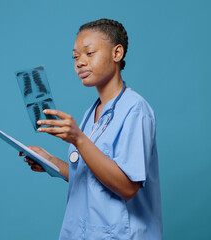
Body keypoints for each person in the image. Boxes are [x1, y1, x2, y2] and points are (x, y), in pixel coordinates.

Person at [19, 18, 163, 240]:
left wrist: (78, 139)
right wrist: (51, 162)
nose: (79, 63)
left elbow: (127, 187)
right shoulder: (91, 114)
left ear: (117, 53)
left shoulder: (136, 110)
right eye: (75, 57)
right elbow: (89, 176)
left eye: (89, 53)